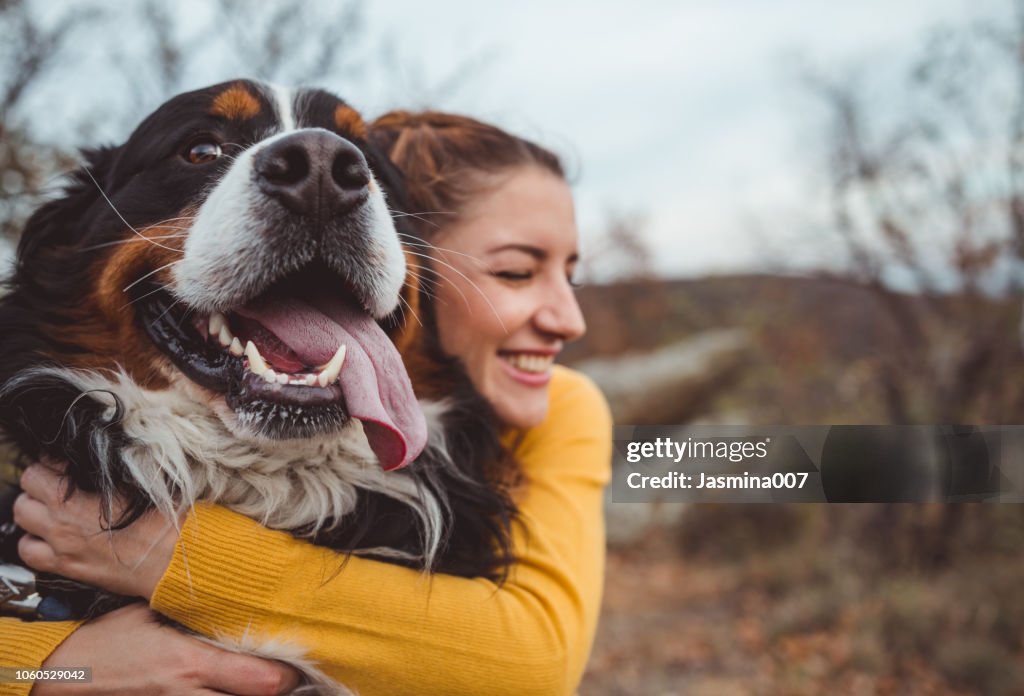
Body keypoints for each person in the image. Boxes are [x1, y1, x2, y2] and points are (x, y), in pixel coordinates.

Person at [0, 111, 612, 696]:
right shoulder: (43, 501)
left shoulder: (566, 406)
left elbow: (536, 663)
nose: (571, 320)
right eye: (515, 273)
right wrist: (49, 669)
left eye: (572, 275)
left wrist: (174, 558)